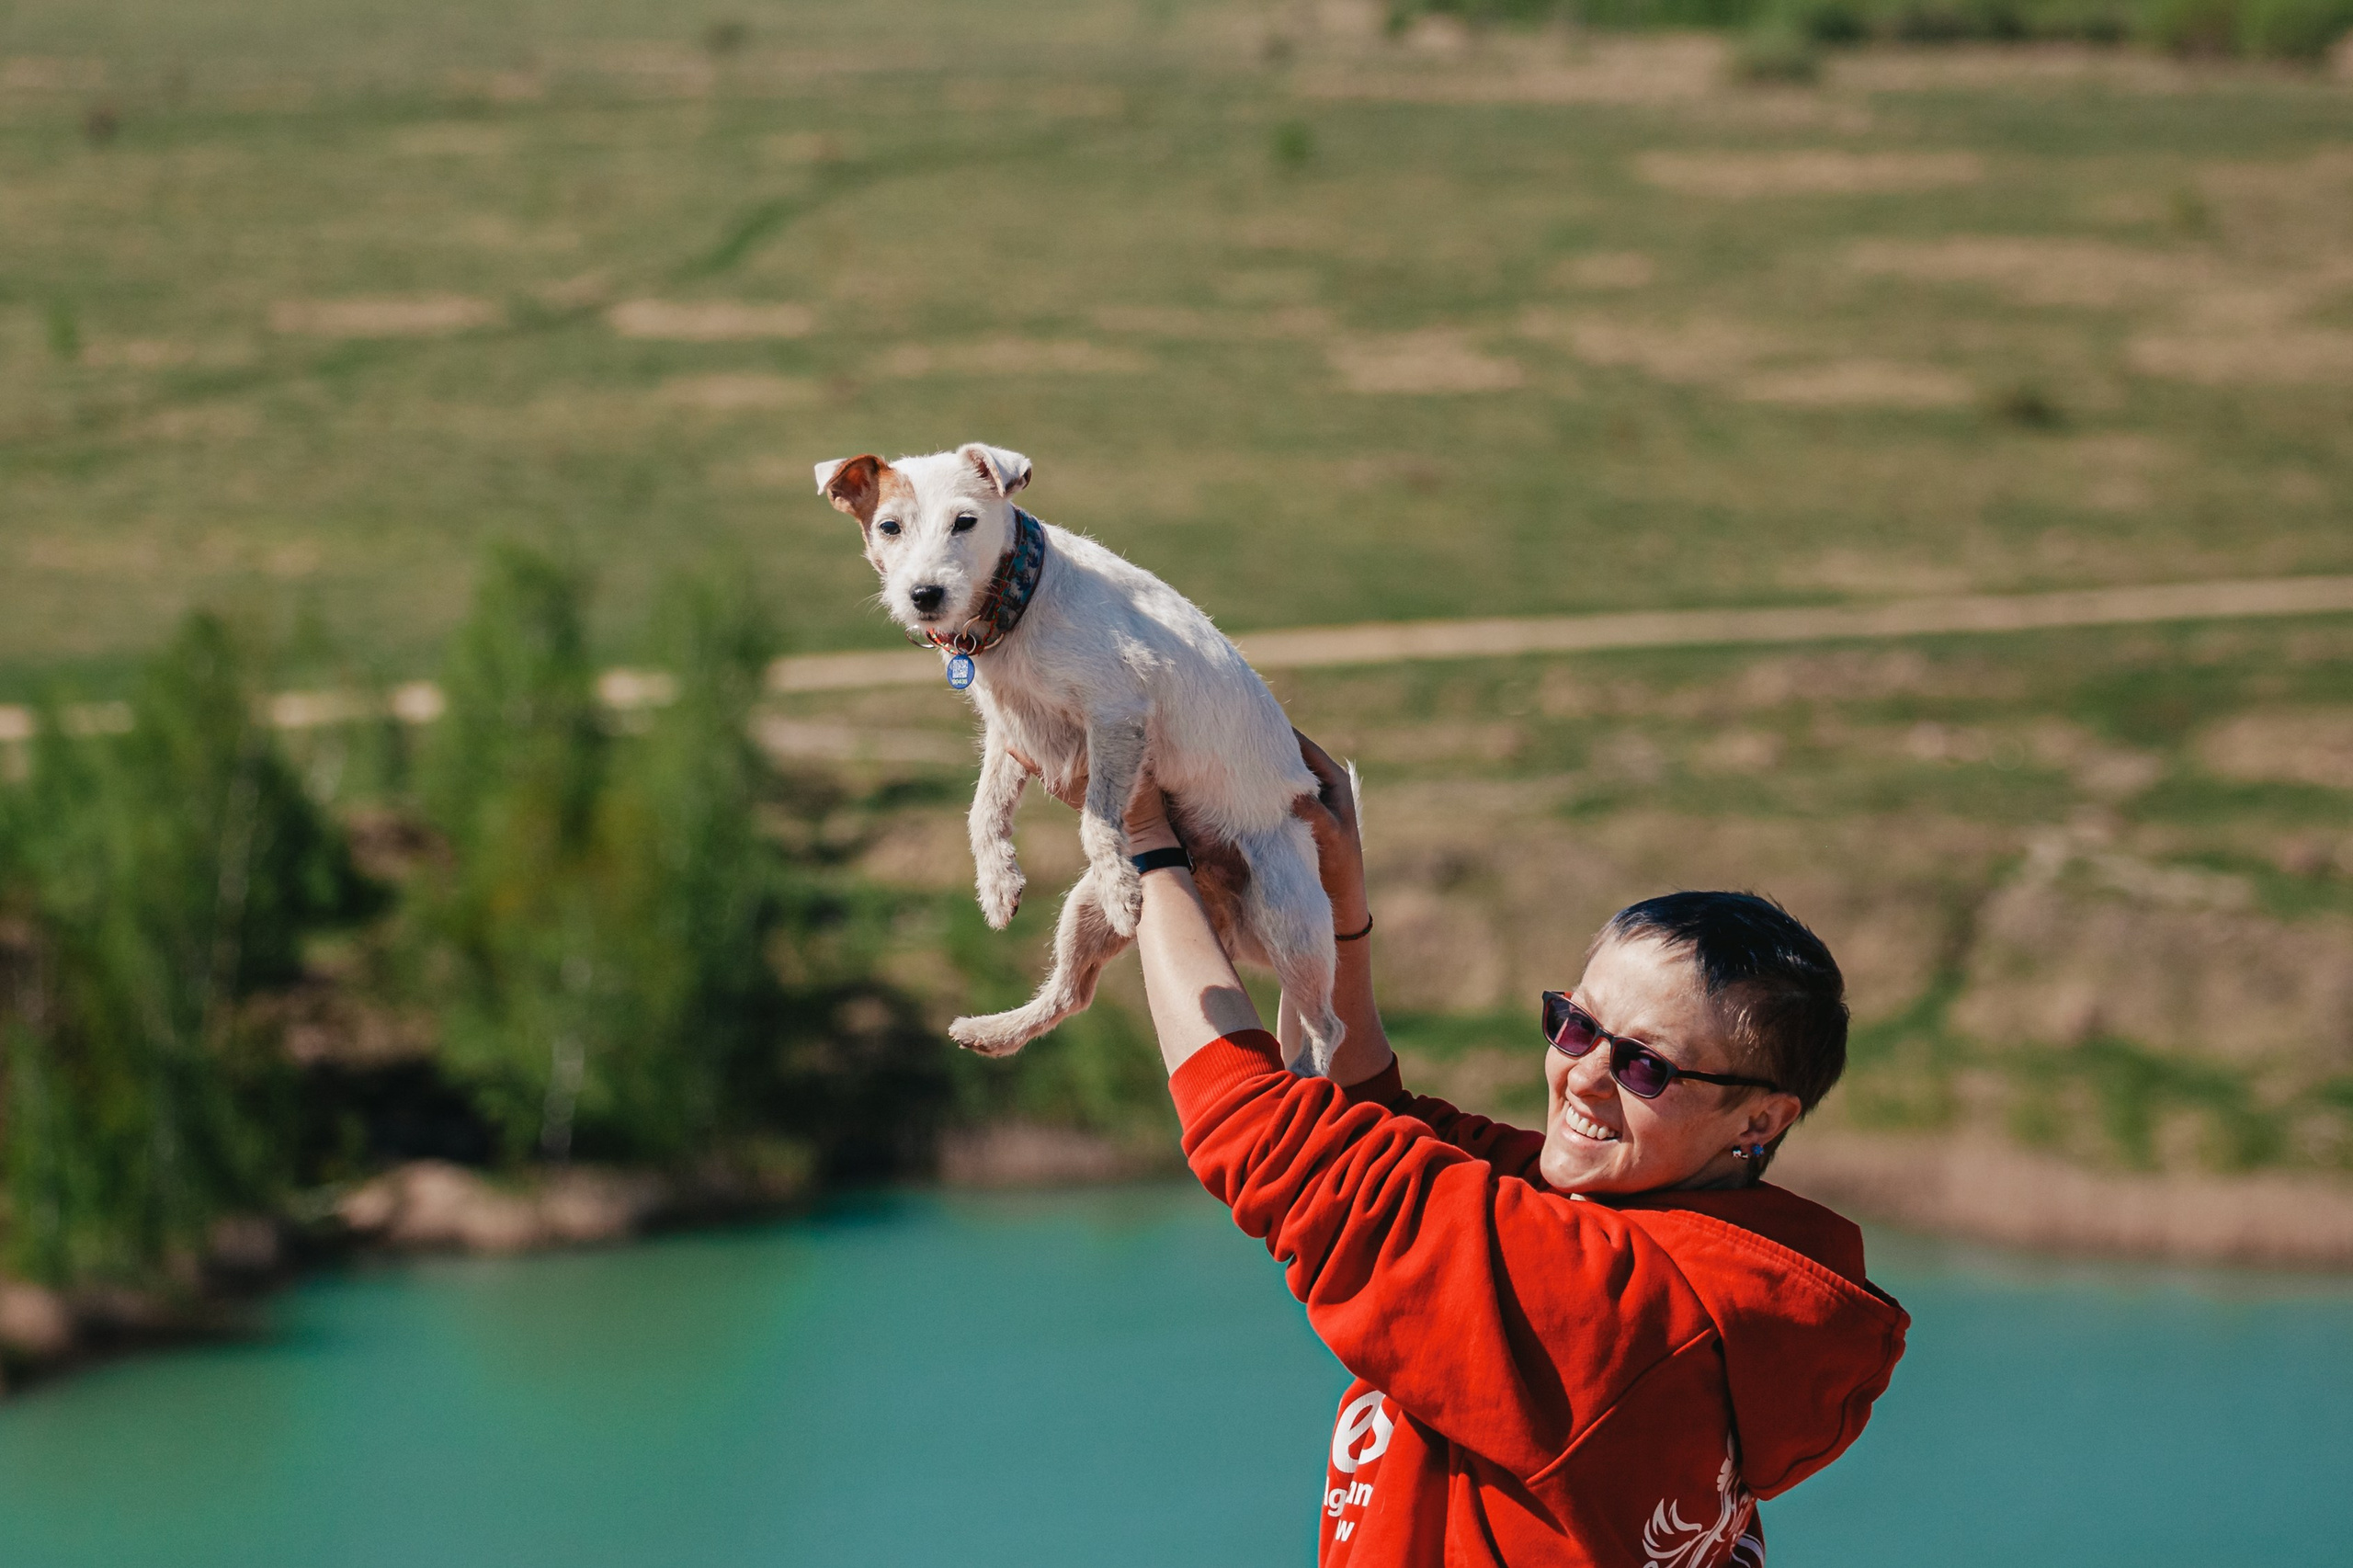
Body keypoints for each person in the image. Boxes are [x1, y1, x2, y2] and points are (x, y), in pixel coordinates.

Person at [1120, 733, 1909, 1568]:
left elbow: (1265, 1135)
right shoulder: (1684, 1250)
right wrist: (1335, 912)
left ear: (1759, 1122)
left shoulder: (1619, 1317)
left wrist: (1141, 844)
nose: (1584, 1078)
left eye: (1644, 1065)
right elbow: (1368, 1116)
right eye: (1576, 1025)